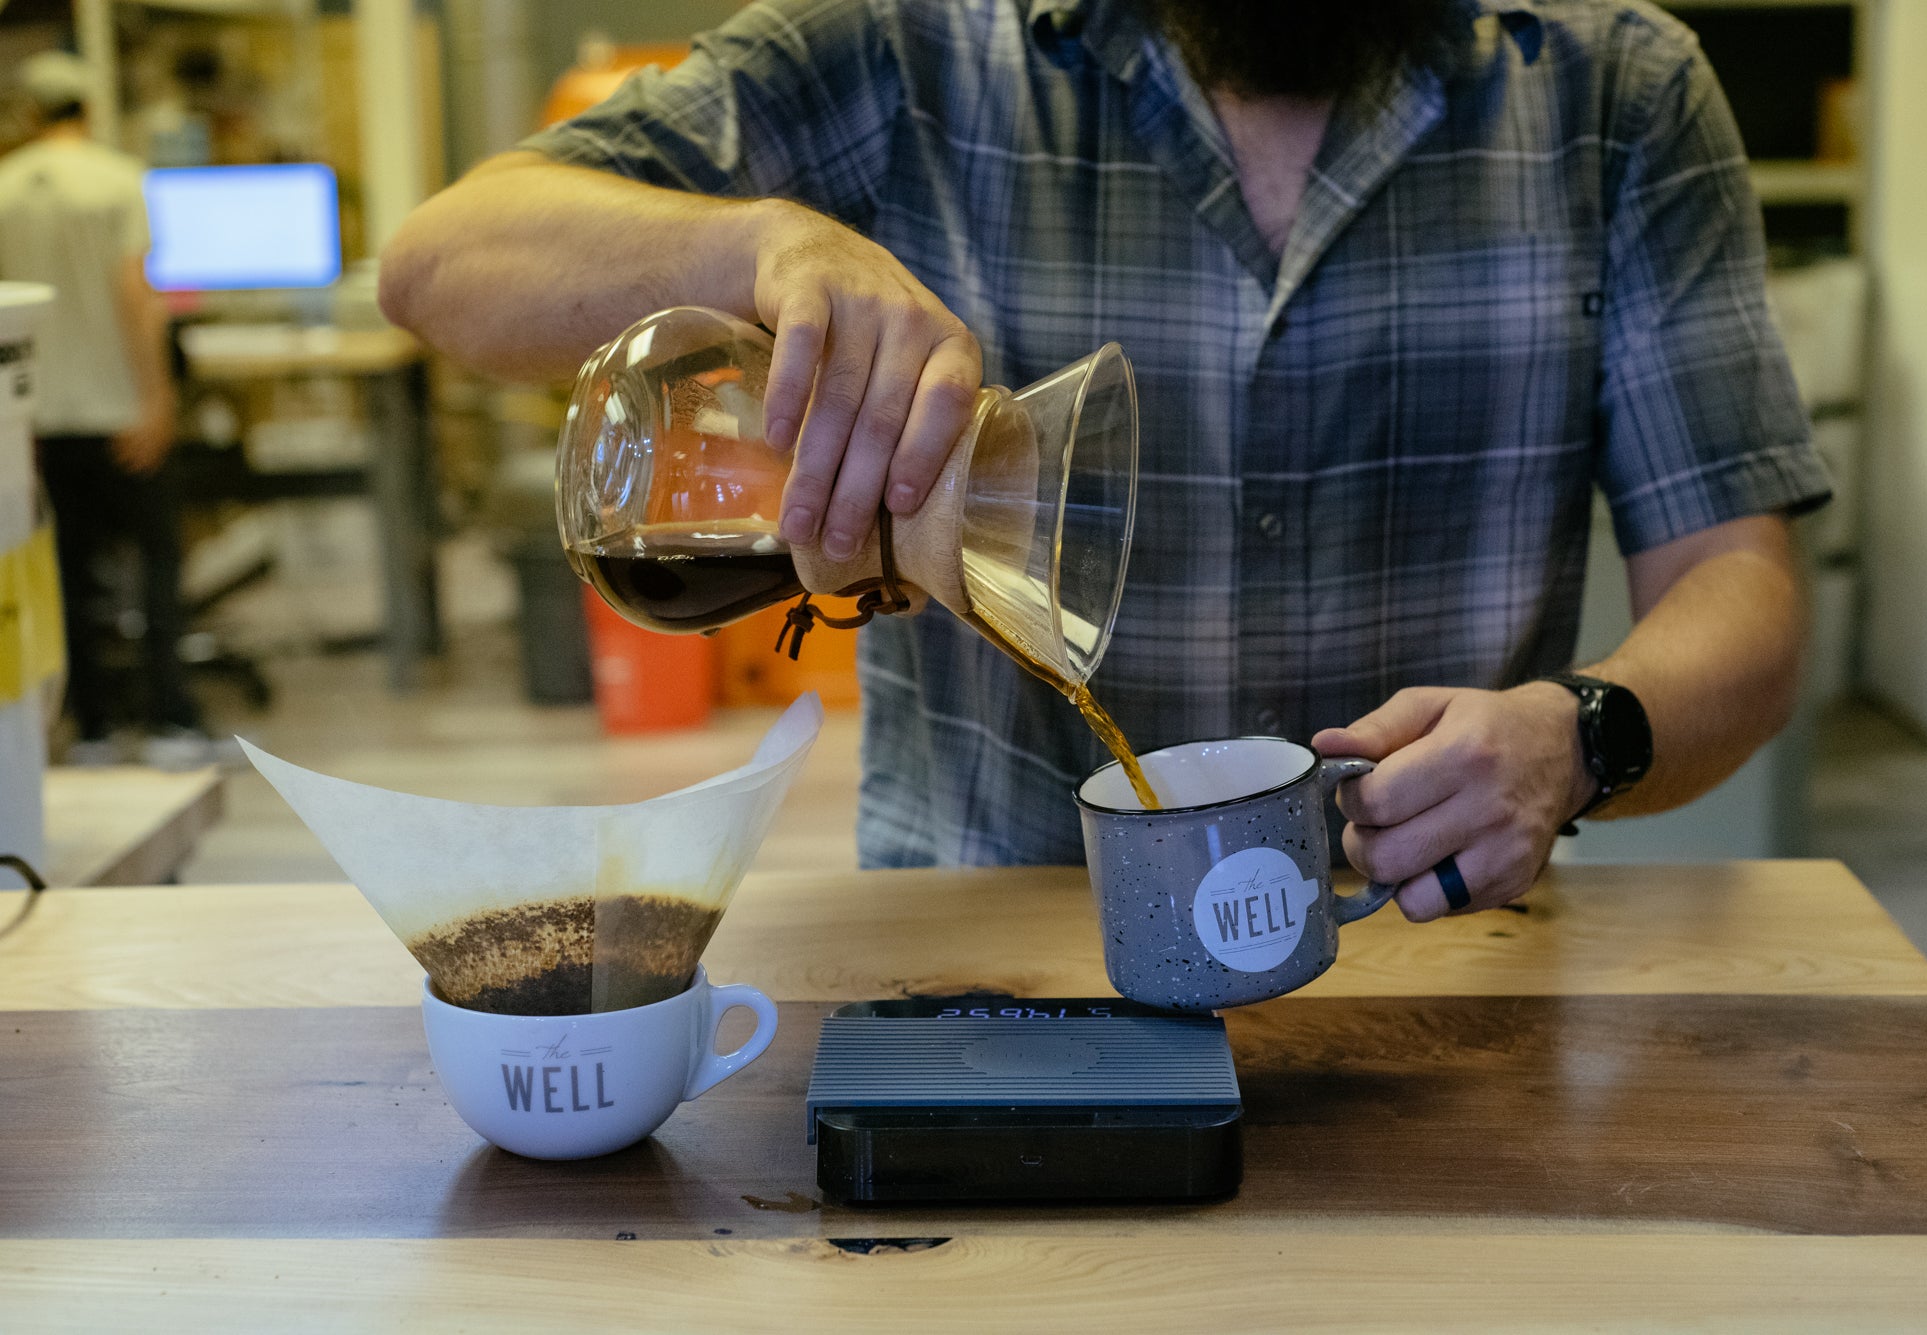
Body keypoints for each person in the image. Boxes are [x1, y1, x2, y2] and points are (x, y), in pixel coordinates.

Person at [380, 0, 1831, 920]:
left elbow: (1741, 596)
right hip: (984, 956)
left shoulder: (1618, 92)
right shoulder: (908, 47)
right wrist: (755, 242)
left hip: (1423, 954)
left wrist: (1578, 734)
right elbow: (443, 260)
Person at [0, 51, 211, 768]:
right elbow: (136, 298)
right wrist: (156, 399)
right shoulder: (121, 182)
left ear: (30, 114)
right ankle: (168, 720)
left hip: (38, 423)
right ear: (86, 111)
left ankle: (88, 725)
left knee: (63, 573)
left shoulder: (3, 188)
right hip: (119, 411)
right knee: (156, 567)